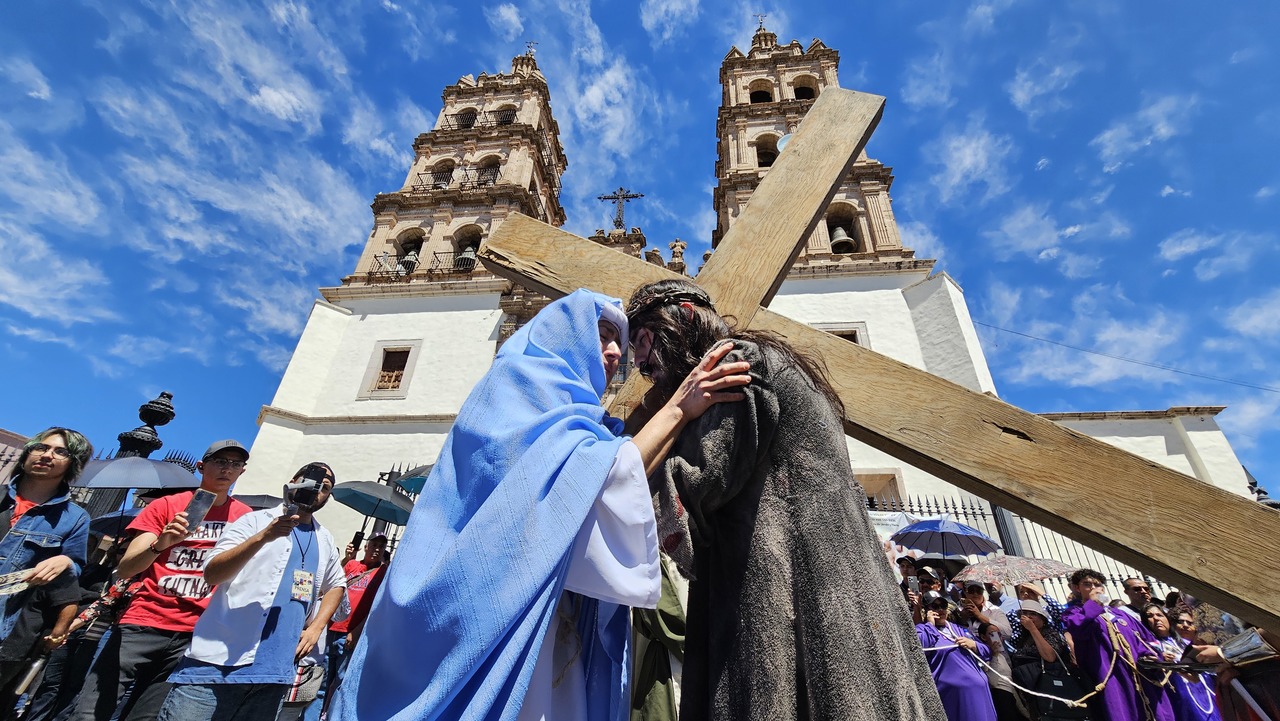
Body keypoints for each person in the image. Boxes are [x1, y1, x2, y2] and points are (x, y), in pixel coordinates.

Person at [332, 289, 752, 720]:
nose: (615, 353)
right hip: (480, 611)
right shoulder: (514, 389)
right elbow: (599, 482)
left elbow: (602, 469)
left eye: (620, 344)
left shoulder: (583, 418)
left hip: (550, 627)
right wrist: (680, 406)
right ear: (563, 334)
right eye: (603, 335)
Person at [626, 279, 946, 720]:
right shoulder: (760, 361)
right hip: (832, 587)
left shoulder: (735, 365)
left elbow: (697, 482)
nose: (639, 361)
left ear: (681, 319)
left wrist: (624, 457)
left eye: (643, 340)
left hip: (795, 591)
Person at [72, 439, 255, 721]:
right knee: (90, 713)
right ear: (201, 466)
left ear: (242, 471)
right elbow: (126, 568)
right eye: (220, 461)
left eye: (235, 463)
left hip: (196, 632)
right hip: (144, 621)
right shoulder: (168, 505)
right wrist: (161, 543)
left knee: (146, 717)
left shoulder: (246, 517)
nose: (227, 469)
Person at [155, 462, 347, 721]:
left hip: (274, 674)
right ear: (294, 481)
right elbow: (212, 573)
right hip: (217, 666)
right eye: (313, 481)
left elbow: (336, 584)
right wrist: (263, 537)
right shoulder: (254, 521)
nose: (317, 491)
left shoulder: (324, 539)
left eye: (325, 488)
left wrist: (315, 628)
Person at [0, 428, 93, 691]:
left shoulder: (75, 519)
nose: (46, 455)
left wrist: (66, 562)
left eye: (60, 451)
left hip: (9, 629)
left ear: (73, 463)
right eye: (40, 447)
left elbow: (74, 570)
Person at [1062, 569, 1173, 721]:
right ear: (1077, 588)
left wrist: (1152, 655)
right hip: (1109, 676)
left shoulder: (1121, 614)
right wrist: (1093, 604)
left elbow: (1146, 640)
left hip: (1139, 673)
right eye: (1087, 584)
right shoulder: (1074, 613)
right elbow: (1077, 628)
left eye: (1098, 585)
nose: (1094, 588)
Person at [305, 534, 389, 721]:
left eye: (381, 546)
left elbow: (376, 606)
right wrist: (347, 558)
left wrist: (357, 631)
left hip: (350, 634)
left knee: (341, 681)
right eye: (374, 544)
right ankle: (311, 717)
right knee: (322, 678)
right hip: (332, 629)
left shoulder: (383, 573)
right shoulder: (351, 565)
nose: (376, 549)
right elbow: (333, 585)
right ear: (366, 546)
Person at [917, 591, 997, 721]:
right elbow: (920, 648)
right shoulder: (922, 630)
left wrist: (973, 645)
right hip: (956, 695)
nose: (940, 610)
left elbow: (987, 652)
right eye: (935, 606)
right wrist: (930, 625)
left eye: (943, 605)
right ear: (926, 610)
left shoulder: (958, 629)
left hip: (980, 691)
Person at [1140, 604, 1220, 721]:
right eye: (1150, 616)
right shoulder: (1150, 647)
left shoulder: (1186, 643)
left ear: (1167, 619)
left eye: (1159, 615)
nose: (1156, 618)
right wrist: (1160, 658)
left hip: (1206, 688)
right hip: (1181, 693)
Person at [962, 582, 1022, 721]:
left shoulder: (994, 610)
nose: (975, 594)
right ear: (965, 593)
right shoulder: (961, 613)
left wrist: (980, 616)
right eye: (971, 591)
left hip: (997, 663)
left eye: (978, 591)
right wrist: (962, 618)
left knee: (1005, 703)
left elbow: (1007, 632)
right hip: (975, 666)